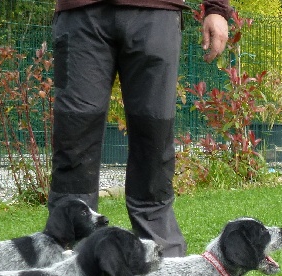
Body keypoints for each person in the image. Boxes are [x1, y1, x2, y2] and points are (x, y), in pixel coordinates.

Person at [48, 0, 231, 257]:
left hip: (157, 12)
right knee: (73, 138)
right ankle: (64, 259)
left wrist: (216, 8)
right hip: (81, 15)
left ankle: (161, 260)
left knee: (154, 142)